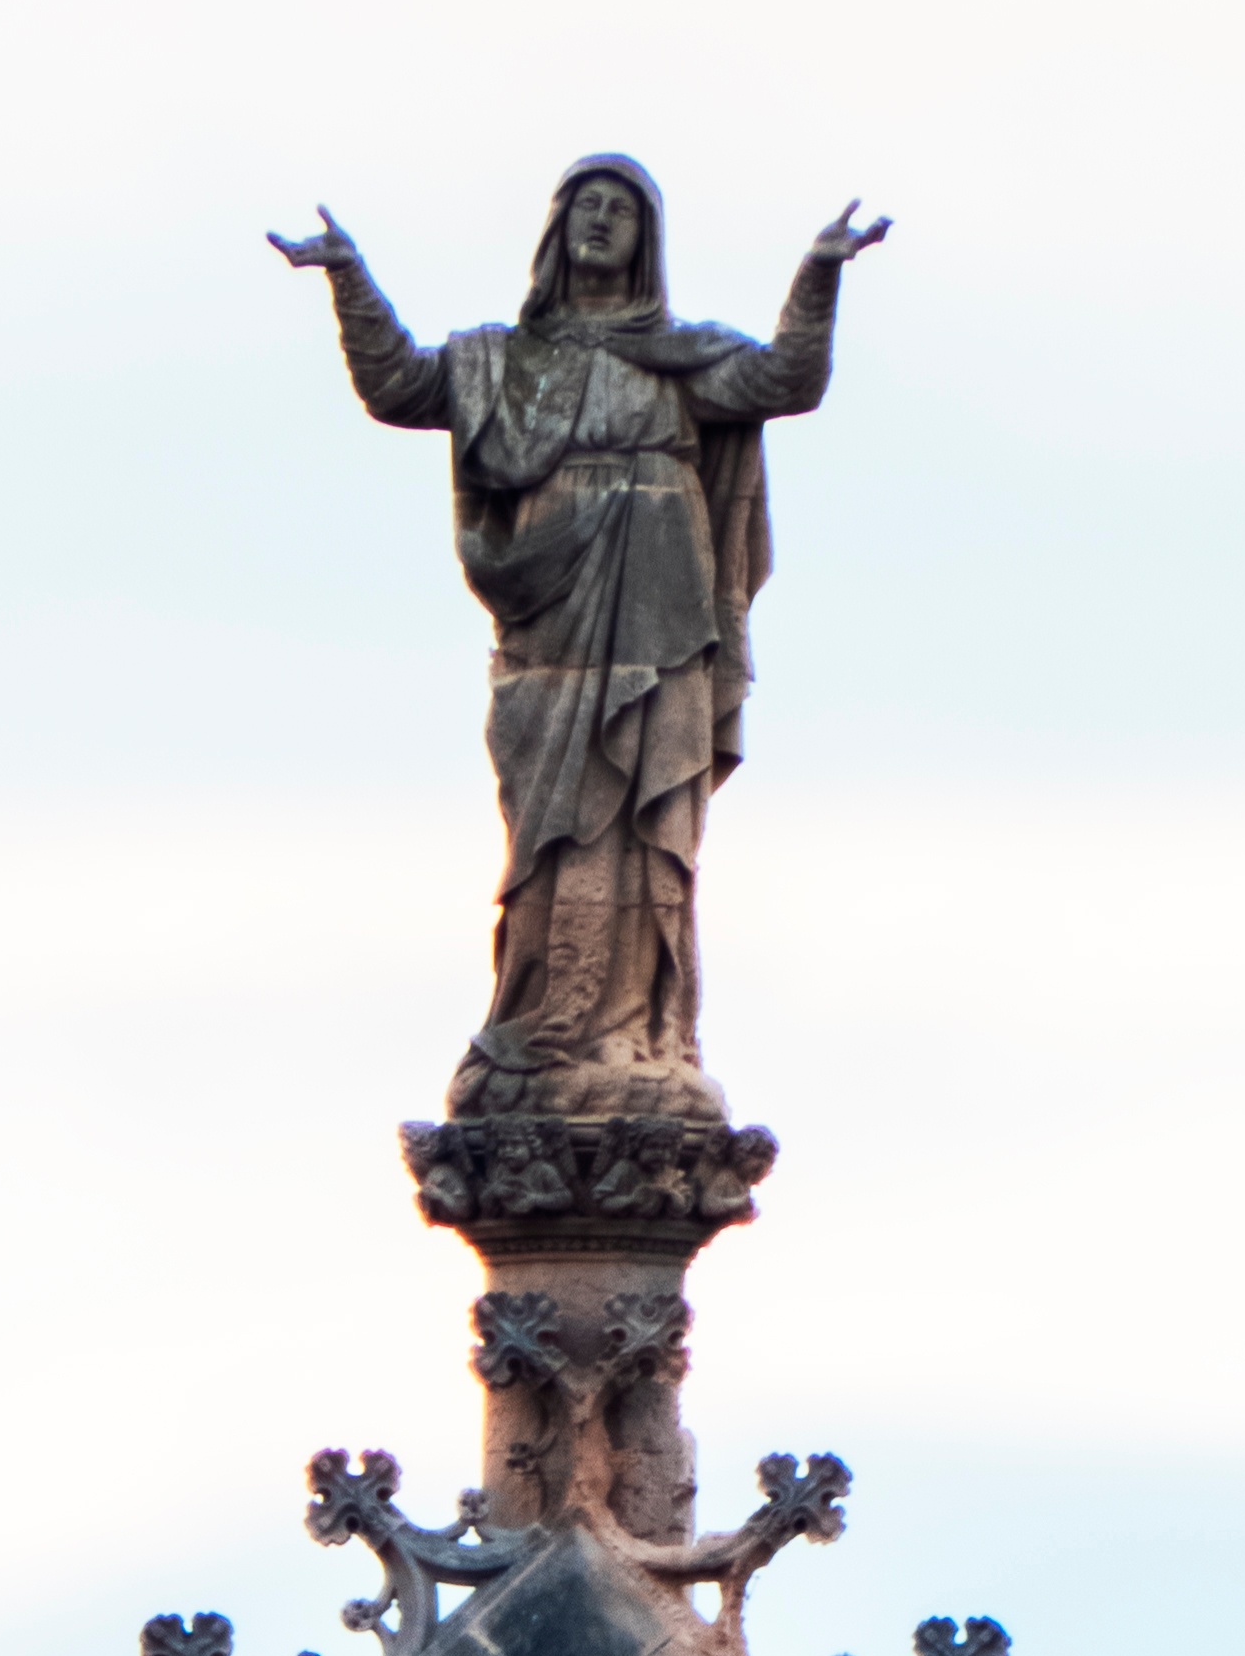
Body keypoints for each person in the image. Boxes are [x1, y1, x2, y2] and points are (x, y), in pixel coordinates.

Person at [270, 156, 887, 1116]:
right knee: (549, 825)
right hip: (550, 618)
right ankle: (542, 1021)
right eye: (584, 208)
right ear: (556, 232)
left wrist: (819, 274)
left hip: (663, 610)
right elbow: (399, 386)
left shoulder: (682, 358)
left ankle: (641, 1031)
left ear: (647, 242)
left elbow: (784, 377)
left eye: (621, 211)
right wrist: (350, 280)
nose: (599, 223)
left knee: (653, 815)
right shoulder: (503, 362)